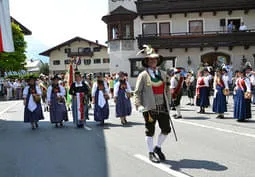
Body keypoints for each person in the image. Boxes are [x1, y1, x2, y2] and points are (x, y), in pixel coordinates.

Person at [134, 45, 171, 163]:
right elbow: (137, 92)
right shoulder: (143, 75)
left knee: (166, 129)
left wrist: (169, 102)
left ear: (158, 61)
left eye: (155, 59)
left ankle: (157, 147)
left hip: (162, 106)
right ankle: (150, 153)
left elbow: (167, 89)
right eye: (150, 59)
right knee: (150, 131)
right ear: (147, 62)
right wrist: (138, 105)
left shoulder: (163, 74)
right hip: (149, 108)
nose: (153, 61)